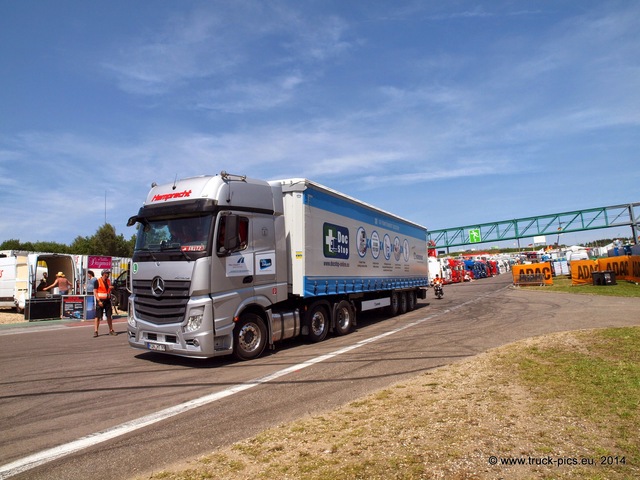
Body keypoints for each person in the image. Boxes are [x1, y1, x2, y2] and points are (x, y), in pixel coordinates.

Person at [94, 269, 115, 337]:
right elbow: (95, 292)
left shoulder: (108, 281)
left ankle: (111, 330)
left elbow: (108, 289)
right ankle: (96, 331)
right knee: (98, 316)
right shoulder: (97, 281)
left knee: (109, 316)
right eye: (107, 273)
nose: (108, 275)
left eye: (108, 273)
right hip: (100, 300)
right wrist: (99, 301)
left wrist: (111, 288)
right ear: (103, 274)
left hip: (107, 300)